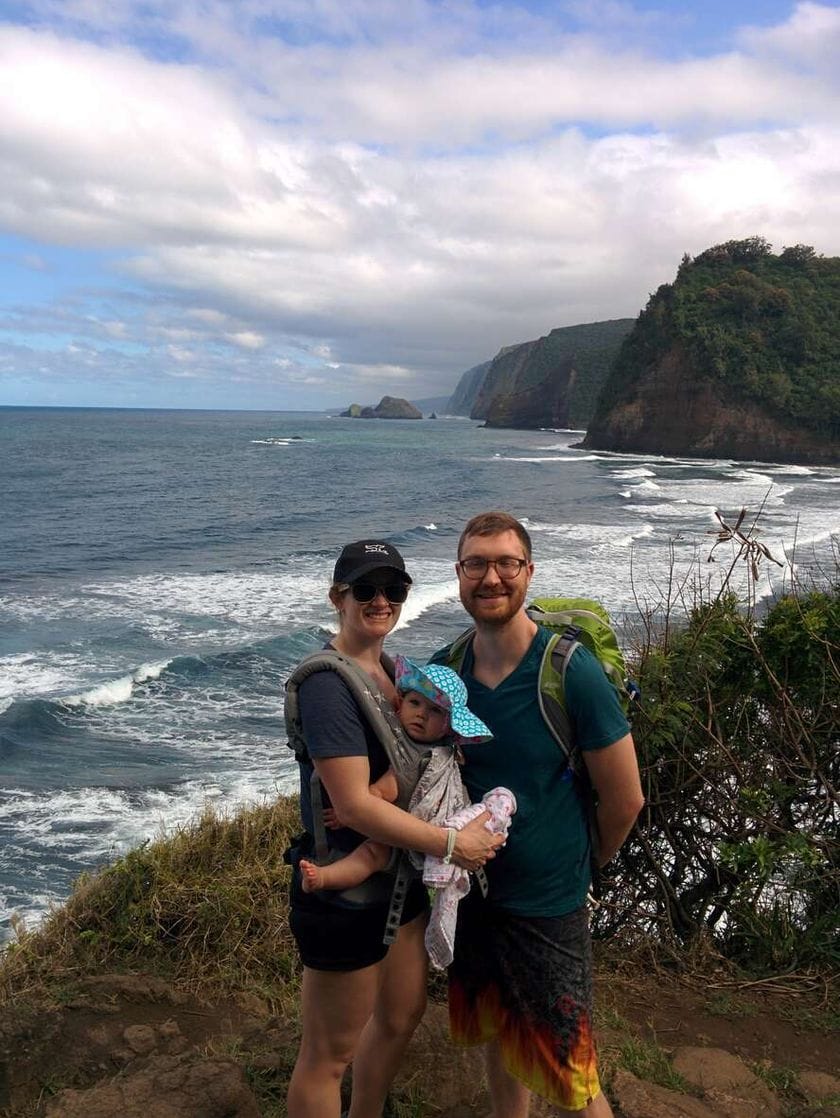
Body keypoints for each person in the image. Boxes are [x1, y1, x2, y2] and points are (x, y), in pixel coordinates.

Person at [431, 511, 644, 1118]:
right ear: (458, 574)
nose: (491, 577)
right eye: (477, 563)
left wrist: (580, 863)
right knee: (501, 1034)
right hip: (472, 897)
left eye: (506, 563)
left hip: (547, 906)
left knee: (572, 1073)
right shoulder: (447, 671)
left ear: (528, 571)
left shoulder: (568, 671)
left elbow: (625, 797)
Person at [285, 540, 504, 1118]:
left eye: (394, 590)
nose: (381, 601)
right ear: (339, 598)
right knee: (329, 1054)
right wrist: (454, 843)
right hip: (350, 892)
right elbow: (354, 806)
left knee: (402, 1015)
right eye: (365, 590)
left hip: (398, 886)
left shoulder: (390, 672)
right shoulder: (328, 686)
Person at [298, 655, 517, 970]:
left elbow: (374, 796)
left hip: (417, 838)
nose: (421, 715)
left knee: (370, 855)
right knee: (372, 857)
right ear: (399, 704)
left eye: (434, 712)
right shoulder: (447, 752)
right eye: (415, 703)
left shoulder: (409, 757)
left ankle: (326, 877)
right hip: (425, 840)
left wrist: (345, 815)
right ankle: (324, 878)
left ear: (448, 725)